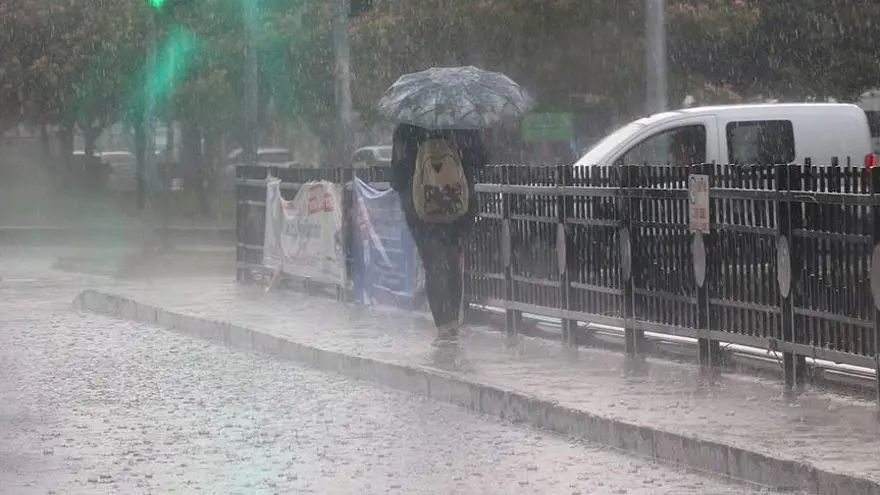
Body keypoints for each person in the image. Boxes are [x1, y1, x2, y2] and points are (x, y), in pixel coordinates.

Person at [390, 124, 488, 344]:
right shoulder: (462, 125)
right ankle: (453, 322)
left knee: (433, 264)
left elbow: (396, 177)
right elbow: (482, 159)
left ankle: (443, 326)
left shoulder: (406, 128)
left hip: (421, 212)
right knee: (453, 262)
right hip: (458, 207)